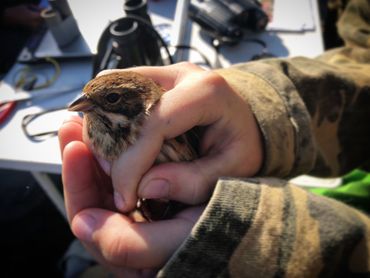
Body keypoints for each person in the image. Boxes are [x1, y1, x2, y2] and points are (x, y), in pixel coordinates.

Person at [59, 0, 370, 276]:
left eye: (111, 99)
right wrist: (259, 108)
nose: (83, 107)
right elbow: (361, 55)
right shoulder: (103, 124)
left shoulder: (159, 123)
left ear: (138, 101)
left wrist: (222, 246)